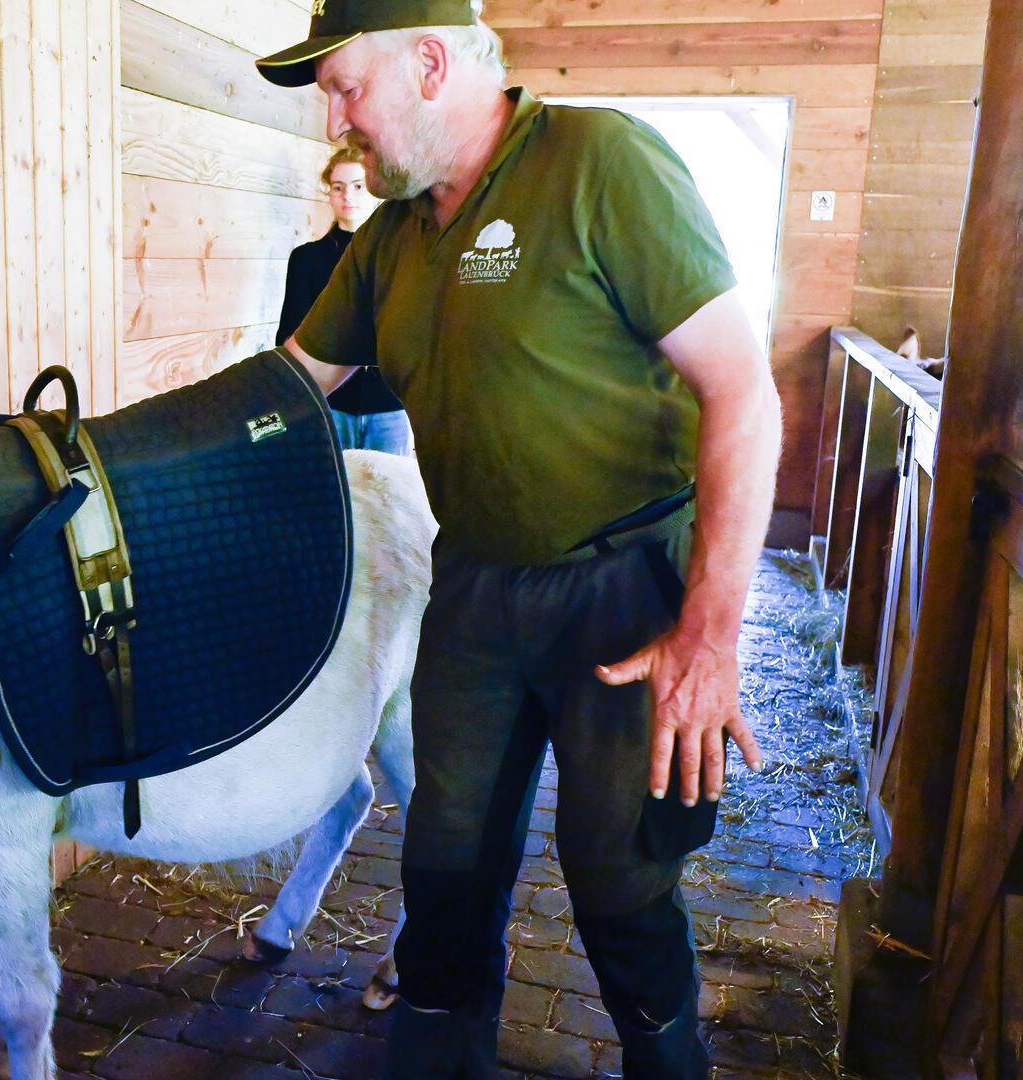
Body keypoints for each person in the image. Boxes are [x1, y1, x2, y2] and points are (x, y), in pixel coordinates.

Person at [256, 2, 781, 1077]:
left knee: (621, 873)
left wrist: (711, 633)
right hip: (481, 587)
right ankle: (442, 1053)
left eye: (348, 87)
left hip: (625, 586)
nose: (338, 118)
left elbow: (743, 393)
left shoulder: (600, 164)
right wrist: (109, 452)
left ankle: (668, 1062)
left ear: (431, 62)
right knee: (446, 857)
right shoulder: (393, 237)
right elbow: (286, 387)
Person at [278, 147, 412, 454]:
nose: (347, 196)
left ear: (374, 191)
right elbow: (289, 332)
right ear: (329, 193)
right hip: (329, 406)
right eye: (338, 188)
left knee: (389, 497)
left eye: (357, 186)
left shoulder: (400, 255)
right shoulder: (306, 259)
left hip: (388, 407)